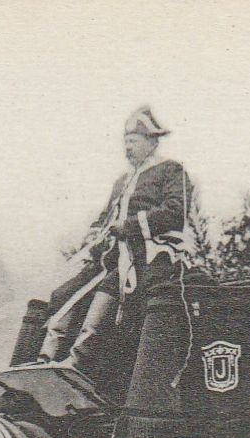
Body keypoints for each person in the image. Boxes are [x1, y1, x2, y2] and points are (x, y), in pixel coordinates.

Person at [37, 106, 192, 372]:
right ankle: (45, 359)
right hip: (113, 257)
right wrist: (88, 238)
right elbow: (106, 217)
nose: (127, 148)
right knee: (68, 295)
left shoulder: (171, 171)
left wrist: (130, 227)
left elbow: (175, 213)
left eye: (133, 141)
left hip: (147, 256)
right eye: (125, 142)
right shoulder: (122, 181)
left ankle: (76, 362)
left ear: (152, 143)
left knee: (104, 303)